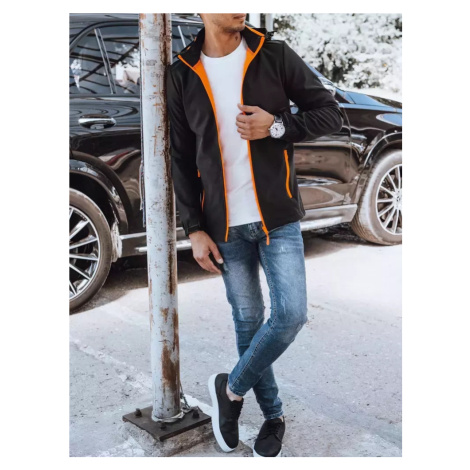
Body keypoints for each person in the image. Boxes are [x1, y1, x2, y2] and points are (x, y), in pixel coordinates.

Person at [166, 13, 343, 457]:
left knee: (291, 315)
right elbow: (180, 157)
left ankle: (230, 389)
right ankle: (273, 416)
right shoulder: (182, 73)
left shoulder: (273, 54)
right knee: (248, 322)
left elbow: (330, 113)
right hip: (223, 225)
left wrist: (278, 125)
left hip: (277, 217)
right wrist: (194, 228)